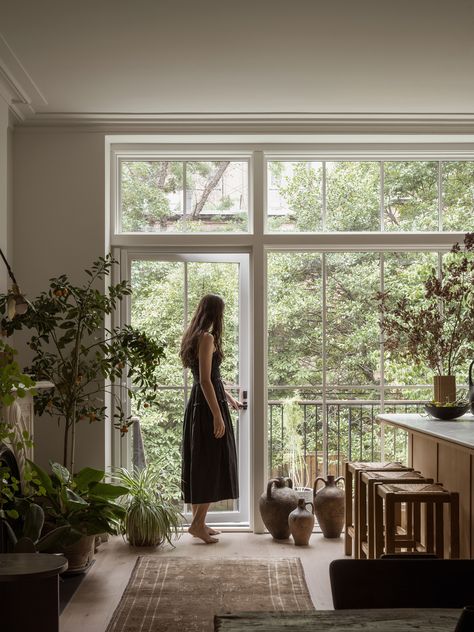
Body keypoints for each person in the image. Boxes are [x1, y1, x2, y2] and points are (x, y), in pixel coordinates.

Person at [180, 293, 241, 544]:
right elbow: (204, 380)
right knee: (210, 463)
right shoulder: (206, 338)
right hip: (206, 407)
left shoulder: (194, 336)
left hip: (202, 402)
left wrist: (228, 397)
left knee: (202, 461)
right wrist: (217, 415)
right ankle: (196, 525)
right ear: (216, 313)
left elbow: (209, 377)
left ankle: (201, 523)